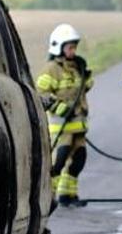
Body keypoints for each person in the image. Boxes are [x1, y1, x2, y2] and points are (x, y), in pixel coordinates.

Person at [37, 24, 93, 208]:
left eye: (74, 47)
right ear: (58, 47)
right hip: (61, 125)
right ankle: (49, 198)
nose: (73, 50)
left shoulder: (77, 66)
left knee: (78, 159)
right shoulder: (51, 69)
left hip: (78, 125)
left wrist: (86, 74)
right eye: (69, 47)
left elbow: (84, 87)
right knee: (58, 163)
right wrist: (61, 108)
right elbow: (41, 93)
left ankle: (68, 195)